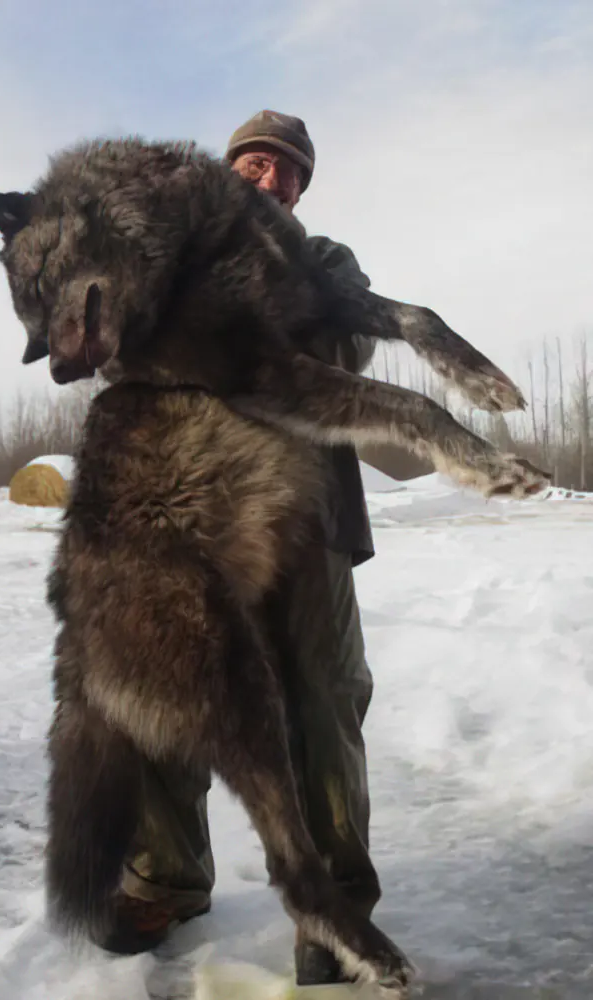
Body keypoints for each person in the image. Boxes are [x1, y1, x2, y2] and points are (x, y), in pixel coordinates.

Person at [98, 110, 404, 987]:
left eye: (285, 171)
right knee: (157, 696)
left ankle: (333, 913)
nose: (266, 179)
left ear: (299, 191)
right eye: (252, 164)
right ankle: (166, 876)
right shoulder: (165, 265)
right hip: (190, 522)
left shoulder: (329, 263)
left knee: (321, 706)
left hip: (308, 520)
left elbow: (342, 350)